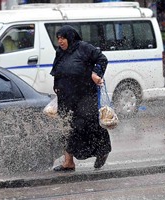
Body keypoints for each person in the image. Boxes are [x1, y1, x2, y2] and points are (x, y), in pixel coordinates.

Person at [50, 25, 111, 171]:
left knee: (87, 126)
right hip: (66, 97)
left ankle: (103, 151)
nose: (61, 41)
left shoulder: (84, 48)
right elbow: (57, 71)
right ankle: (68, 162)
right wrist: (57, 86)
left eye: (63, 38)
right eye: (58, 38)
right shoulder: (60, 52)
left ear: (70, 37)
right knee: (66, 127)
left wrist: (95, 73)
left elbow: (102, 59)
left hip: (85, 96)